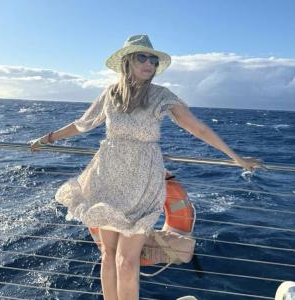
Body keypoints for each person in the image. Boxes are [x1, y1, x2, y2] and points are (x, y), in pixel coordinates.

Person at [30, 34, 262, 300]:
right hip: (108, 176)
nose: (149, 63)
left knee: (126, 261)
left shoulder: (161, 95)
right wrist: (47, 138)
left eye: (153, 59)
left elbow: (198, 127)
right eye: (142, 57)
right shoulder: (111, 93)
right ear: (127, 61)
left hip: (143, 181)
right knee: (108, 255)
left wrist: (235, 157)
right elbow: (82, 124)